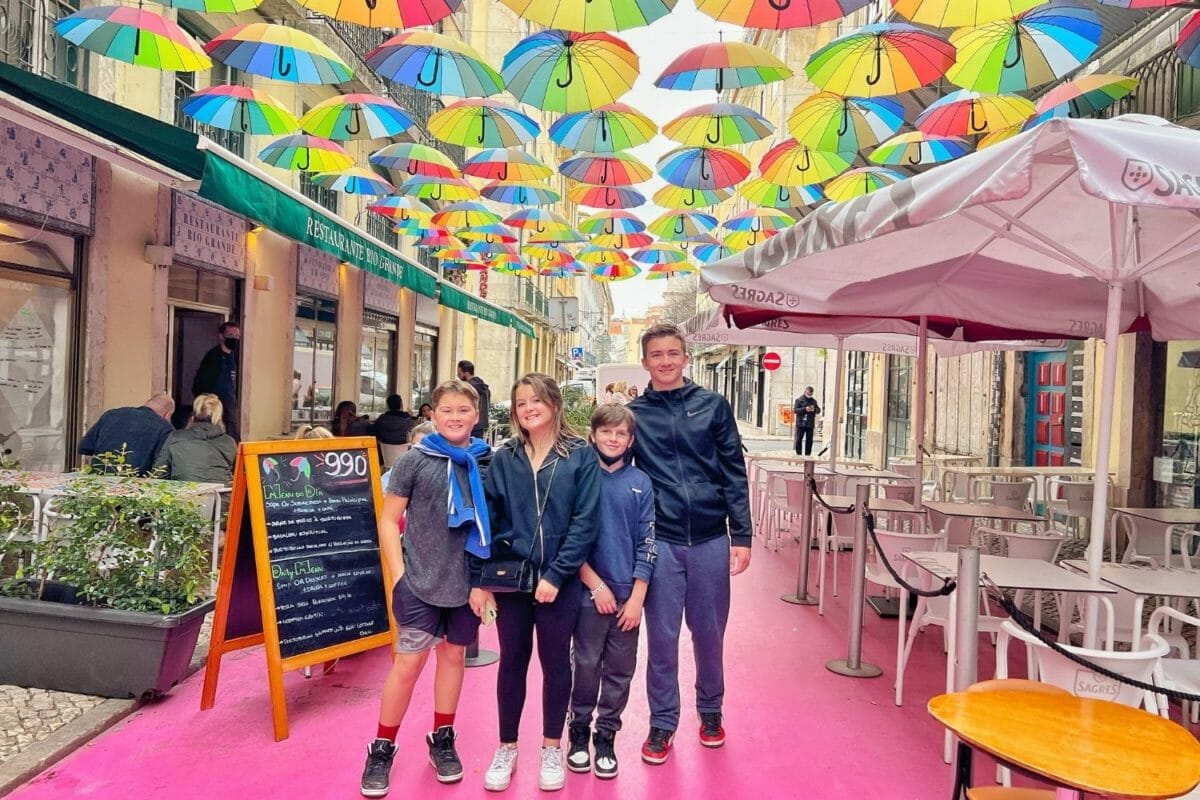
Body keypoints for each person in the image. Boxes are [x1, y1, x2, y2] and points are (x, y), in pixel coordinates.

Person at [359, 380, 493, 798]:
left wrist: (486, 585)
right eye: (447, 410)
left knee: (452, 658)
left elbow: (497, 527)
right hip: (419, 580)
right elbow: (387, 520)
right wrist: (398, 575)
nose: (455, 417)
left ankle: (443, 738)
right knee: (408, 664)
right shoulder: (415, 460)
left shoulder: (487, 462)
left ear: (476, 415)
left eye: (463, 410)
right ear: (432, 415)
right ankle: (382, 746)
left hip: (467, 583)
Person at [627, 323, 751, 765]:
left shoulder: (713, 406)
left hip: (712, 538)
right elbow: (615, 468)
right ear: (645, 362)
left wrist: (743, 534)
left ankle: (711, 711)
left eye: (672, 353)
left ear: (685, 358)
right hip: (660, 540)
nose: (665, 361)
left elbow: (734, 470)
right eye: (656, 354)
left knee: (709, 634)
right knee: (661, 637)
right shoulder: (634, 413)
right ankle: (662, 722)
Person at [472, 374, 600, 793]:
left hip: (557, 584)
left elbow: (585, 522)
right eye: (520, 402)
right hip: (512, 580)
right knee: (511, 662)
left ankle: (551, 748)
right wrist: (482, 578)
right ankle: (507, 747)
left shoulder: (579, 455)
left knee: (555, 663)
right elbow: (486, 520)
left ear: (554, 403)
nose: (528, 407)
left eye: (536, 400)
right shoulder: (504, 457)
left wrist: (557, 574)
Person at [566, 404, 655, 780]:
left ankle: (606, 735)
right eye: (606, 432)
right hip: (589, 591)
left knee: (620, 669)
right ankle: (578, 730)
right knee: (585, 664)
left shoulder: (641, 483)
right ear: (593, 434)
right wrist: (595, 584)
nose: (613, 439)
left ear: (630, 440)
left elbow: (647, 542)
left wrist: (636, 597)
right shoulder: (580, 479)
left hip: (627, 597)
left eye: (621, 434)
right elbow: (569, 541)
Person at [78, 393, 175, 476]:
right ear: (168, 415)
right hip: (133, 487)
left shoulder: (111, 415)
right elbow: (162, 467)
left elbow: (84, 447)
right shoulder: (165, 428)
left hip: (98, 482)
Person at [152, 394, 236, 484]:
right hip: (221, 496)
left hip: (187, 495)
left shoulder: (175, 437)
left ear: (192, 416)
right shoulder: (229, 442)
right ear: (218, 417)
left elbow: (158, 475)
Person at [192, 321, 240, 442]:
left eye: (237, 336)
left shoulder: (236, 357)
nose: (234, 338)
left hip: (230, 406)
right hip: (214, 406)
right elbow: (201, 384)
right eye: (231, 335)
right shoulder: (213, 357)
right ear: (221, 336)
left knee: (232, 435)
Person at [457, 360, 492, 440]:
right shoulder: (483, 386)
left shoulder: (467, 387)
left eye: (459, 373)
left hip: (469, 423)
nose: (458, 375)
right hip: (481, 423)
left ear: (466, 373)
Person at [793, 386, 821, 456]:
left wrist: (814, 409)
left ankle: (808, 454)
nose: (809, 396)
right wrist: (805, 409)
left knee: (809, 440)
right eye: (808, 394)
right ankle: (799, 454)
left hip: (810, 423)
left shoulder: (813, 401)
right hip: (801, 423)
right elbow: (795, 410)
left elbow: (818, 410)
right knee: (799, 439)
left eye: (811, 394)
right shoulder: (799, 400)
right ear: (805, 392)